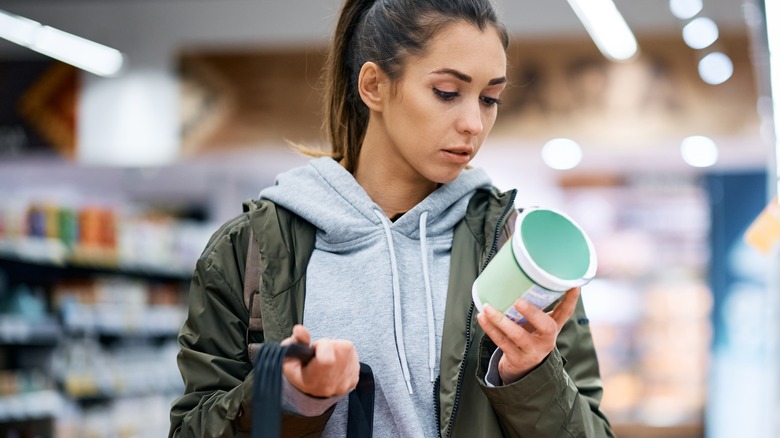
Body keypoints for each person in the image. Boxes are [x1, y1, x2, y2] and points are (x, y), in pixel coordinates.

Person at [169, 0, 615, 436]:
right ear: (374, 86)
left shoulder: (517, 252)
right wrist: (290, 397)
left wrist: (531, 374)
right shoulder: (249, 250)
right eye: (447, 93)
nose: (473, 123)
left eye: (490, 98)